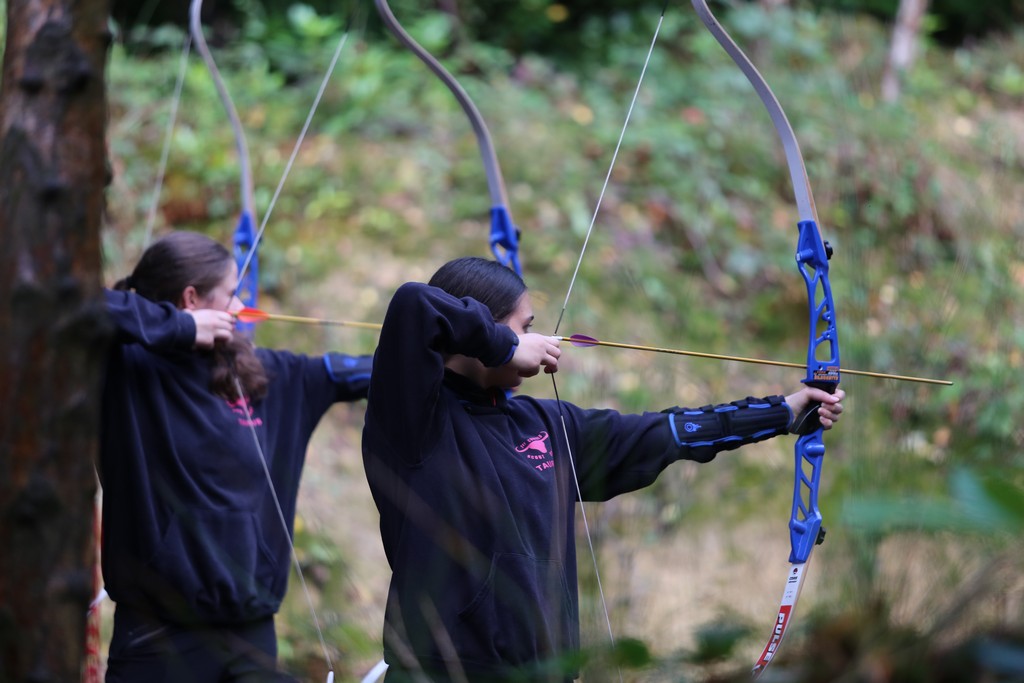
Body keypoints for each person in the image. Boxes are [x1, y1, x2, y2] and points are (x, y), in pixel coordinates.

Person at [361, 256, 845, 683]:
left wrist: (782, 413)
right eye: (526, 327)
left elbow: (663, 433)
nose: (540, 339)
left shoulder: (544, 423)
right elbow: (413, 304)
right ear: (484, 327)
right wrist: (505, 346)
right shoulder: (414, 421)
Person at [99, 231, 372, 682]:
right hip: (156, 636)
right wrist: (182, 328)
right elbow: (62, 306)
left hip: (250, 633)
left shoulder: (263, 375)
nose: (241, 306)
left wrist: (456, 352)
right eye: (231, 294)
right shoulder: (126, 367)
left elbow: (360, 372)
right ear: (191, 299)